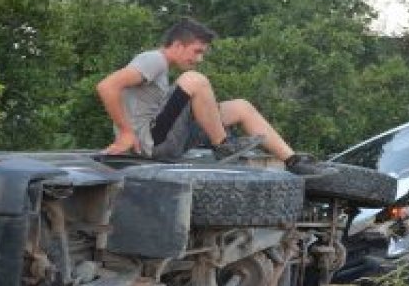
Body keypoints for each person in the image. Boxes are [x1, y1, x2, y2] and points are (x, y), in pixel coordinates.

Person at [96, 18, 332, 175]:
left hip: (166, 138)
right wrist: (126, 133)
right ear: (177, 45)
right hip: (149, 143)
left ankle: (294, 162)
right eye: (196, 51)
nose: (199, 59)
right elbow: (107, 87)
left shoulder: (162, 67)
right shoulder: (153, 59)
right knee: (194, 80)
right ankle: (223, 144)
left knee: (241, 107)